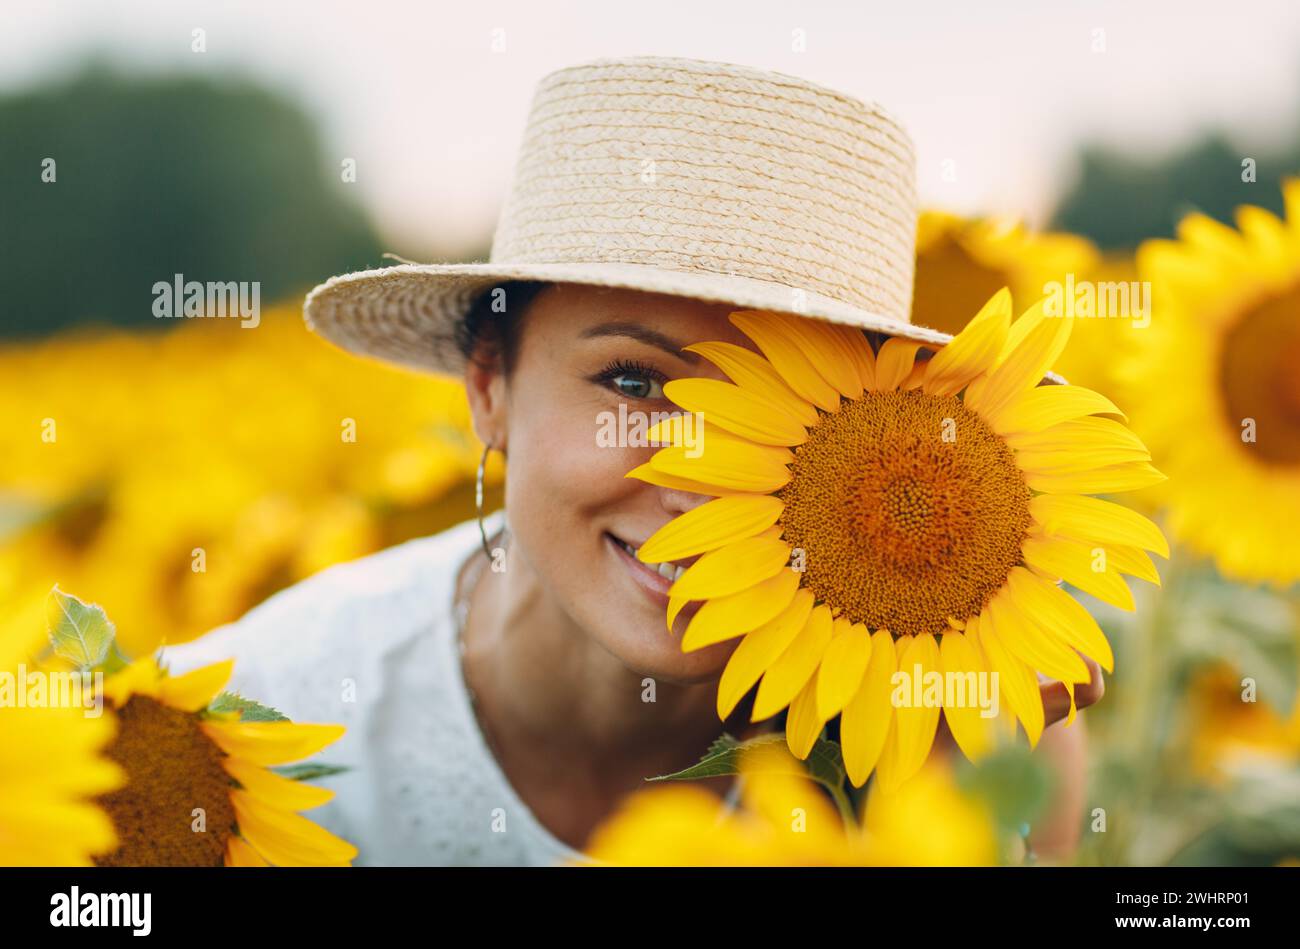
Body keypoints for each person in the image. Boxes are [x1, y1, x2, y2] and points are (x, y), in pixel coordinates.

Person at [164, 55, 1101, 865]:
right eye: (635, 383)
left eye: (800, 420)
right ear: (488, 386)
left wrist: (929, 795)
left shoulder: (954, 730)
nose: (705, 483)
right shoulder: (252, 720)